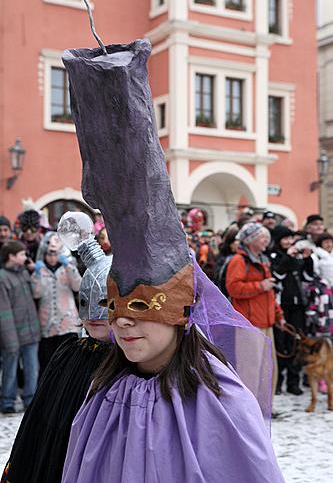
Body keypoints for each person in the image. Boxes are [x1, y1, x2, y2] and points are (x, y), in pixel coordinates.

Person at [60, 38, 285, 482]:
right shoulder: (103, 395)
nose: (122, 322)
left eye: (141, 305)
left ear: (182, 312)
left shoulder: (220, 403)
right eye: (115, 306)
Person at [1, 219, 113, 483]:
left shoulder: (134, 360)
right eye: (88, 303)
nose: (95, 313)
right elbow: (41, 421)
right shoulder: (69, 356)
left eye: (106, 303)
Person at [226, 222, 284, 399]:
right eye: (262, 236)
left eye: (266, 236)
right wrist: (260, 285)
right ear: (250, 240)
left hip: (266, 322)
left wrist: (279, 315)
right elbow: (233, 288)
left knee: (268, 367)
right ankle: (249, 407)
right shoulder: (239, 260)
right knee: (249, 369)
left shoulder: (263, 261)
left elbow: (270, 293)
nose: (266, 239)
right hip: (248, 323)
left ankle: (264, 406)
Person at [269, 225, 314, 395]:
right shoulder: (274, 256)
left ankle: (293, 382)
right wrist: (288, 258)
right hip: (281, 306)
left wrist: (307, 259)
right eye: (285, 239)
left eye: (291, 239)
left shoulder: (296, 255)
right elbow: (277, 275)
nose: (289, 242)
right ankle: (278, 381)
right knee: (280, 344)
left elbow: (308, 277)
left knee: (296, 341)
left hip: (298, 306)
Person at [31, 232, 82, 377]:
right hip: (48, 324)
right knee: (49, 361)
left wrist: (69, 267)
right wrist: (38, 274)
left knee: (67, 360)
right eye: (49, 254)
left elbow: (77, 286)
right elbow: (36, 293)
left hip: (68, 323)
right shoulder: (40, 271)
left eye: (55, 254)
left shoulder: (67, 269)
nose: (52, 257)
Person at [0, 240, 40, 414]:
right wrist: (10, 339)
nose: (25, 257)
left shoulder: (24, 273)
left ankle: (30, 399)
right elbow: (4, 310)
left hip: (31, 330)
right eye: (22, 254)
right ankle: (7, 400)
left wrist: (33, 272)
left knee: (32, 367)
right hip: (13, 333)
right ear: (11, 256)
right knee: (10, 368)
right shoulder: (2, 277)